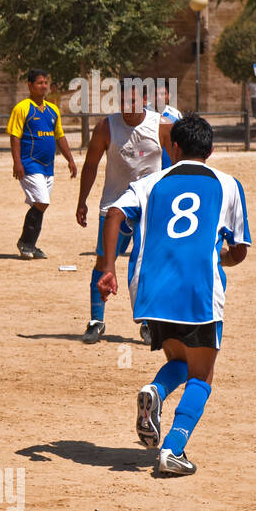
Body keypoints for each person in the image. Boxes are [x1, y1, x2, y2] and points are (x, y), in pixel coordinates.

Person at [96, 116, 250, 477]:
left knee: (180, 360)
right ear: (210, 151)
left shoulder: (149, 182)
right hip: (198, 291)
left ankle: (156, 390)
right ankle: (173, 449)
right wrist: (221, 258)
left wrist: (108, 268)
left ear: (173, 148)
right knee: (202, 376)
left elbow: (114, 213)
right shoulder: (227, 185)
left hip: (152, 291)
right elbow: (239, 249)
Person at [76, 77, 172, 344]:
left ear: (144, 100)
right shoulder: (107, 127)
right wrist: (82, 200)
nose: (127, 105)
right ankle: (97, 320)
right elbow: (91, 164)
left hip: (149, 208)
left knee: (147, 265)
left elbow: (178, 165)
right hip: (113, 207)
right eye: (123, 100)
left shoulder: (162, 126)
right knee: (103, 261)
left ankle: (147, 322)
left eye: (133, 100)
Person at [8, 69, 77, 259]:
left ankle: (30, 244)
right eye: (39, 83)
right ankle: (25, 243)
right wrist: (17, 163)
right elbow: (15, 136)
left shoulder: (52, 109)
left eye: (45, 82)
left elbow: (59, 136)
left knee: (40, 205)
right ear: (30, 85)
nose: (44, 86)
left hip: (48, 166)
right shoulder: (22, 108)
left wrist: (70, 159)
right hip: (29, 164)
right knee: (42, 202)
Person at [151, 81, 183, 170]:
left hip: (169, 164)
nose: (159, 97)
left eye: (163, 94)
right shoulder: (144, 114)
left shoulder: (176, 115)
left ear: (168, 96)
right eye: (155, 94)